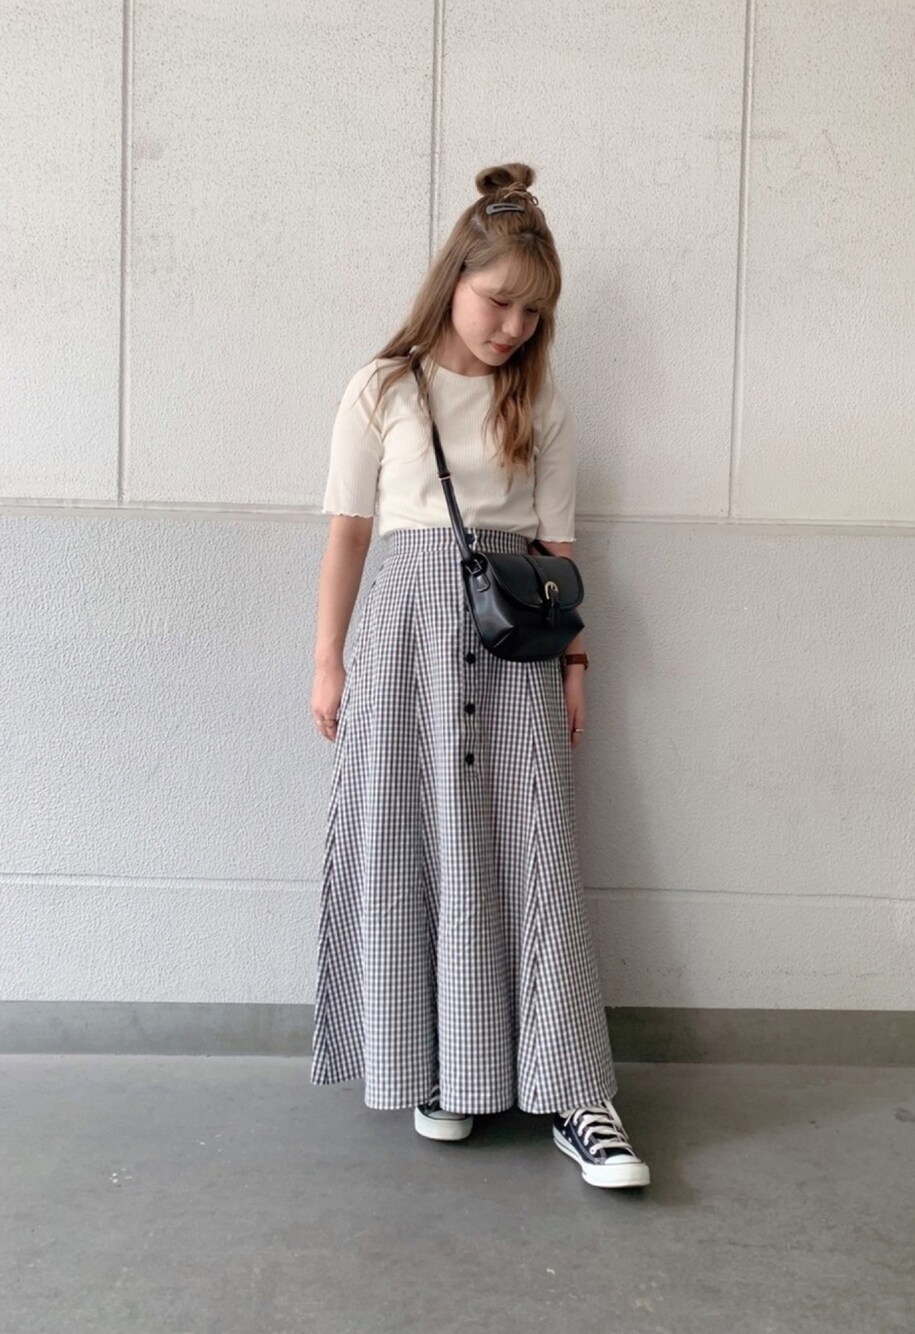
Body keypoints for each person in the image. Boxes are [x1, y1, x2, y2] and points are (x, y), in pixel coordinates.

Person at [309, 163, 650, 1190]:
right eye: (499, 299)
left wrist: (577, 665)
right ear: (454, 277)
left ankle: (577, 1094)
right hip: (404, 641)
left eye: (532, 312)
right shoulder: (382, 387)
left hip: (515, 645)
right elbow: (348, 535)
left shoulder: (538, 400)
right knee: (415, 840)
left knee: (534, 847)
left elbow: (557, 549)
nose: (512, 326)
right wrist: (328, 661)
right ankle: (446, 1067)